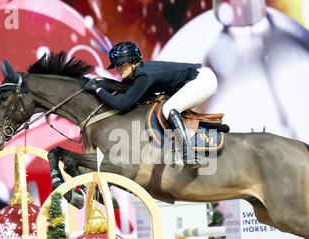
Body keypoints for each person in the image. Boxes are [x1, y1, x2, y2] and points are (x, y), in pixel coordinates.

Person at [84, 41, 218, 168]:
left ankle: (187, 154)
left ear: (133, 61)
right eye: (116, 65)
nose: (118, 69)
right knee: (168, 107)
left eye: (121, 64)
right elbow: (121, 87)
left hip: (203, 80)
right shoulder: (139, 72)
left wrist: (98, 89)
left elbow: (122, 104)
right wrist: (95, 82)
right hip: (194, 81)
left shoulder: (144, 75)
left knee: (169, 109)